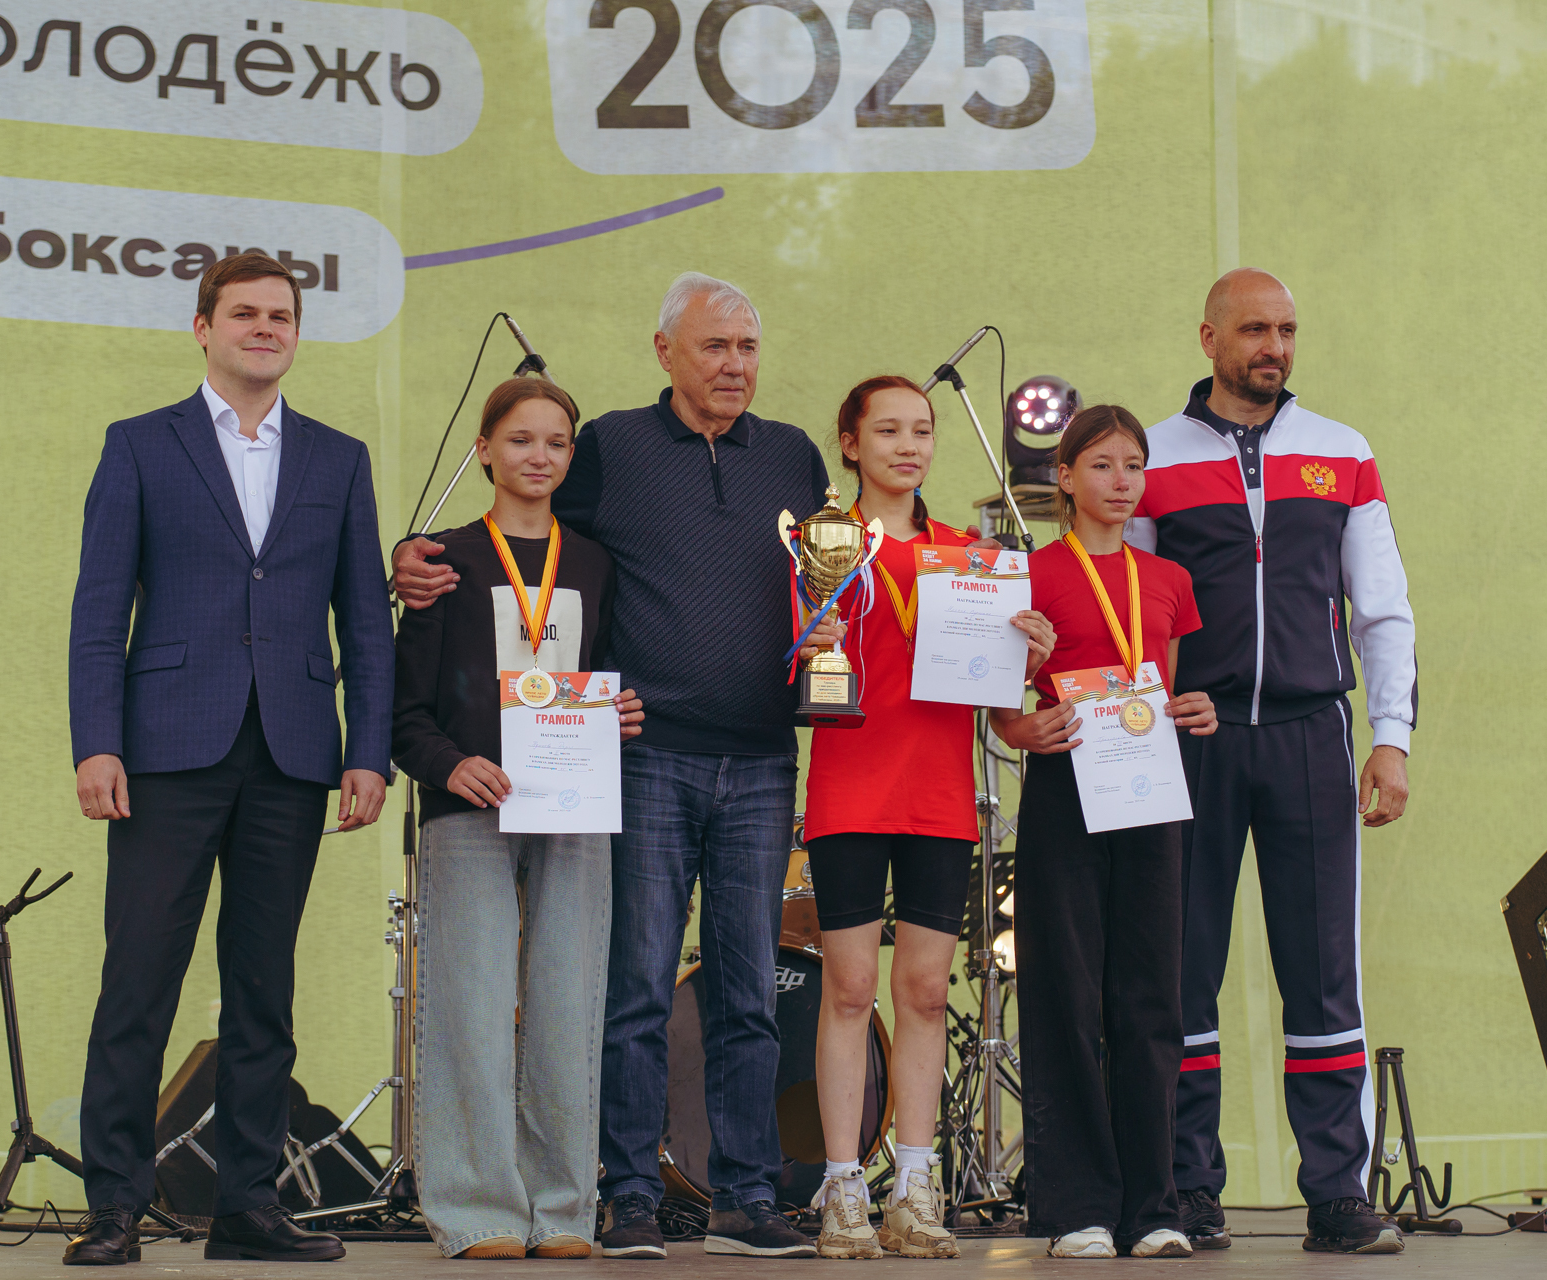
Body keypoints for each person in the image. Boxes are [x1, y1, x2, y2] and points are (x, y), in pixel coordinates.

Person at [392, 273, 826, 1259]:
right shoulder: (613, 448)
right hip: (643, 754)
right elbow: (523, 534)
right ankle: (626, 1194)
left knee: (749, 992)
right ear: (665, 350)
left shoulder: (794, 455)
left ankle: (746, 1196)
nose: (735, 365)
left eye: (748, 347)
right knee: (630, 988)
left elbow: (827, 584)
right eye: (714, 345)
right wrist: (410, 559)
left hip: (764, 754)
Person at [65, 252, 392, 1266]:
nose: (264, 328)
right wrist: (97, 741)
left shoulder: (339, 458)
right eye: (244, 313)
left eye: (280, 315)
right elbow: (98, 611)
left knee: (263, 990)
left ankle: (249, 1205)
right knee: (139, 981)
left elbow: (366, 624)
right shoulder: (139, 443)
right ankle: (115, 1203)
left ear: (296, 332)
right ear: (203, 327)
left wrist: (369, 750)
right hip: (165, 750)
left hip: (292, 754)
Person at [1127, 268, 1416, 1255]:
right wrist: (1141, 722)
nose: (1275, 347)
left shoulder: (1343, 451)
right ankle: (1186, 1189)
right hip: (1193, 739)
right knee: (1181, 973)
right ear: (1209, 337)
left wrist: (1390, 737)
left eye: (1287, 329)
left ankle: (1338, 1194)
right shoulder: (1153, 459)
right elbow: (1132, 614)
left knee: (1325, 974)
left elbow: (1383, 609)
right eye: (1255, 329)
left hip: (1310, 736)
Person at [800, 376, 1054, 1260]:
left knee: (923, 992)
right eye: (888, 431)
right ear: (850, 443)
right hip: (848, 790)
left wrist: (1028, 654)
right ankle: (843, 1188)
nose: (908, 446)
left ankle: (914, 1186)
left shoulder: (970, 557)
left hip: (940, 798)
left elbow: (996, 696)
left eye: (922, 431)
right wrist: (808, 643)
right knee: (848, 990)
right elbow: (787, 665)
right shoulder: (821, 544)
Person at [392, 376, 646, 1259]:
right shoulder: (444, 561)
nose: (540, 456)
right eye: (521, 440)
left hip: (575, 807)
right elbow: (403, 712)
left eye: (557, 443)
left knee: (570, 1005)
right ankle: (477, 1209)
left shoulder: (596, 564)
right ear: (484, 450)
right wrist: (449, 765)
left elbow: (608, 674)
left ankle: (564, 1208)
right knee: (469, 1004)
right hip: (468, 810)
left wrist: (621, 714)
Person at [990, 404, 1215, 1260]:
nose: (1121, 482)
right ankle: (1077, 1207)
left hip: (1148, 791)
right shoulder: (1028, 574)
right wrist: (1021, 728)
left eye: (1133, 466)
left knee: (1151, 998)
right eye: (1102, 466)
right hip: (1065, 792)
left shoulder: (1169, 581)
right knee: (1064, 994)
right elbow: (999, 705)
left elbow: (1163, 692)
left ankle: (1153, 1207)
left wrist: (1196, 711)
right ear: (1065, 477)